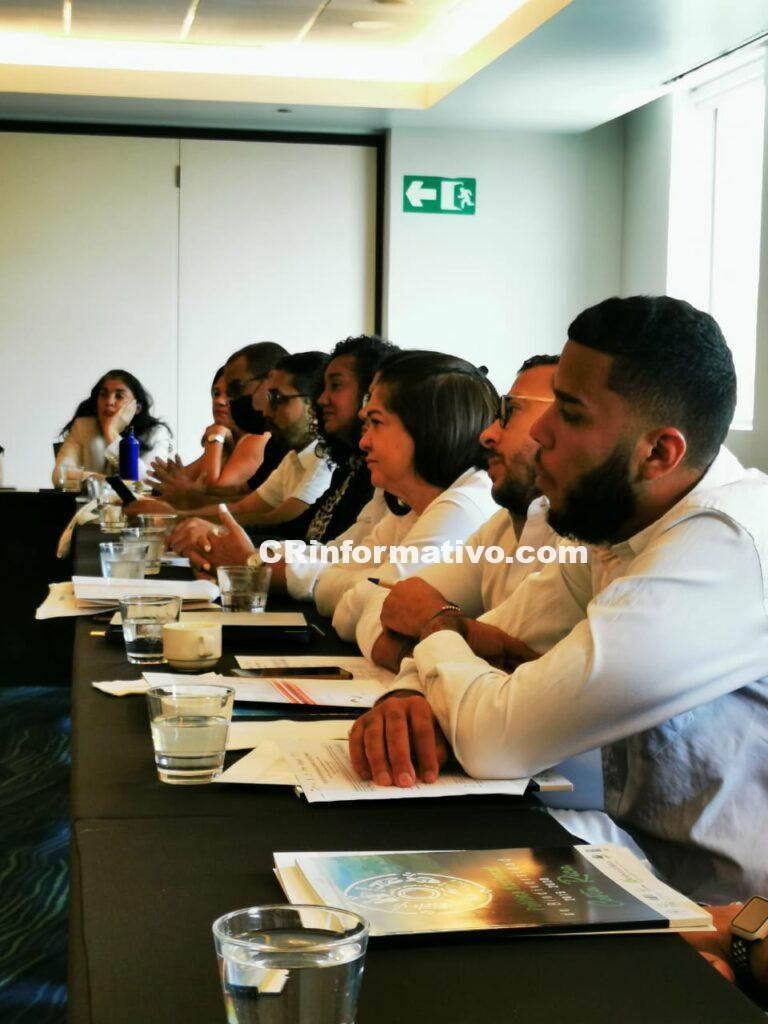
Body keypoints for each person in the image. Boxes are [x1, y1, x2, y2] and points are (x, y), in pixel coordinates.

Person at [350, 295, 768, 907]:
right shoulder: (618, 522)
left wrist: (436, 627)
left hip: (719, 917)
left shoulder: (723, 547)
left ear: (659, 453)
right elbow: (499, 634)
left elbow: (495, 737)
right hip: (626, 854)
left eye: (567, 413)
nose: (539, 434)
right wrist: (410, 693)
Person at [353, 354, 563, 669]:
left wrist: (435, 631)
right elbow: (376, 606)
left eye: (510, 412)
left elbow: (508, 673)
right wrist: (438, 643)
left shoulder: (579, 543)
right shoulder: (501, 526)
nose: (488, 434)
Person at [172, 335, 398, 566]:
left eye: (335, 386)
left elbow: (330, 559)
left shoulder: (339, 464)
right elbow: (316, 546)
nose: (322, 400)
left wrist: (243, 554)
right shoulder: (348, 466)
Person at [146, 351, 332, 529]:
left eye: (277, 398)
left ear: (315, 402)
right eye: (216, 394)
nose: (266, 411)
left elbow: (276, 521)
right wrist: (173, 514)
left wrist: (173, 517)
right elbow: (242, 507)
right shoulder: (292, 456)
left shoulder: (323, 459)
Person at [148, 342, 287, 506]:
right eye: (216, 393)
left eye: (234, 390)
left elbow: (216, 492)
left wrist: (215, 437)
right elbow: (175, 487)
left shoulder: (259, 439)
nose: (221, 401)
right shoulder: (234, 440)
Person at [53, 369, 171, 484]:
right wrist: (102, 480)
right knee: (96, 443)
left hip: (137, 499)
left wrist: (111, 433)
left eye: (119, 396)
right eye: (103, 395)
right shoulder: (83, 427)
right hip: (91, 498)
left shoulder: (155, 434)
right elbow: (59, 476)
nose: (109, 402)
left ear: (137, 408)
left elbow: (148, 482)